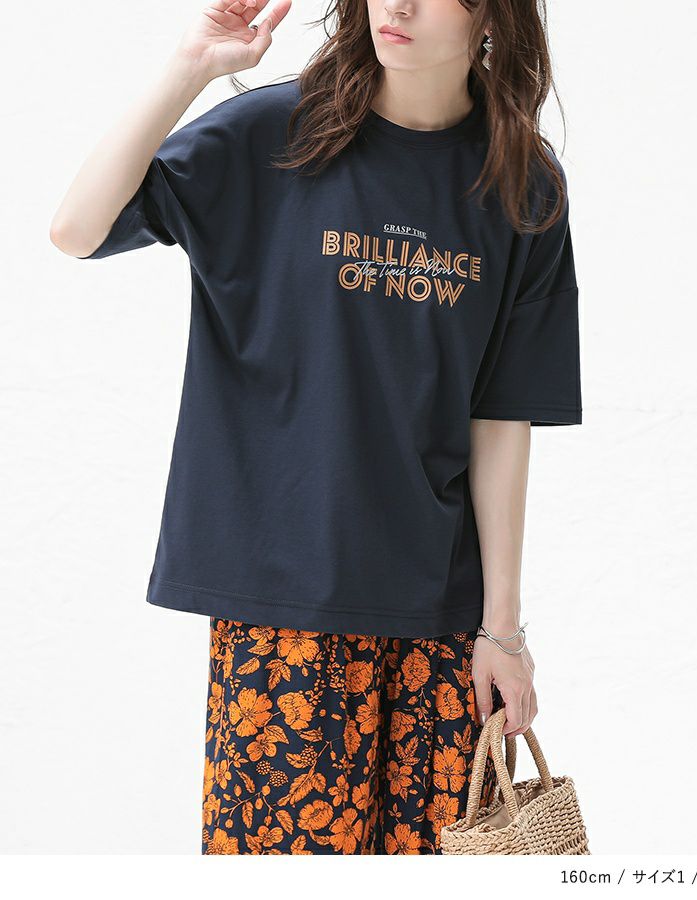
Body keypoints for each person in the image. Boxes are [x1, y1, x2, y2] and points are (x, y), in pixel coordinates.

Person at [50, 0, 582, 855]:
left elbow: (501, 415)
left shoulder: (522, 182)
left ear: (492, 13)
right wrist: (191, 69)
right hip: (284, 612)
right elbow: (77, 230)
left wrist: (503, 630)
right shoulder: (276, 134)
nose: (396, 5)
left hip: (441, 623)